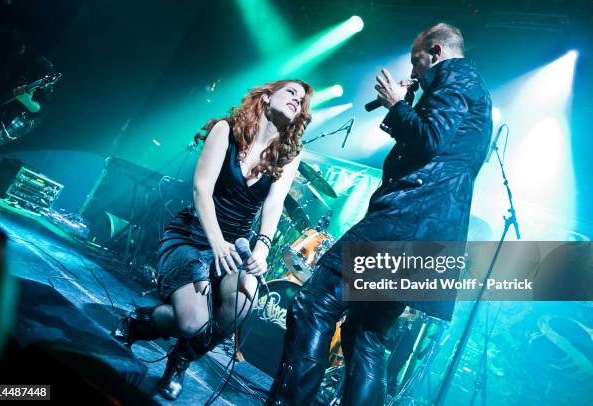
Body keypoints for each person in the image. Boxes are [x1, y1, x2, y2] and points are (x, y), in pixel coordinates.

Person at [265, 23, 493, 405]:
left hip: (406, 220)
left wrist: (398, 105)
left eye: (416, 61)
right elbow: (432, 145)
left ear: (435, 51)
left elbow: (431, 137)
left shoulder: (453, 77)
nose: (415, 71)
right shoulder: (474, 87)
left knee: (314, 304)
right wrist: (409, 108)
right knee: (366, 333)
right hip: (433, 237)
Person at [112, 79, 313, 401]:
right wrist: (217, 243)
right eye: (291, 92)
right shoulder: (226, 130)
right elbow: (201, 190)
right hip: (193, 236)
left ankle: (180, 361)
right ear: (266, 96)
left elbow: (273, 206)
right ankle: (138, 322)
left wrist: (261, 248)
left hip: (235, 246)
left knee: (241, 303)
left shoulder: (290, 154)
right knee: (191, 322)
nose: (297, 101)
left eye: (302, 101)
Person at [0, 25, 55, 172]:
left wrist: (27, 100)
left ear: (22, 47)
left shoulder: (41, 67)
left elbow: (41, 108)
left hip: (24, 114)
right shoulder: (0, 55)